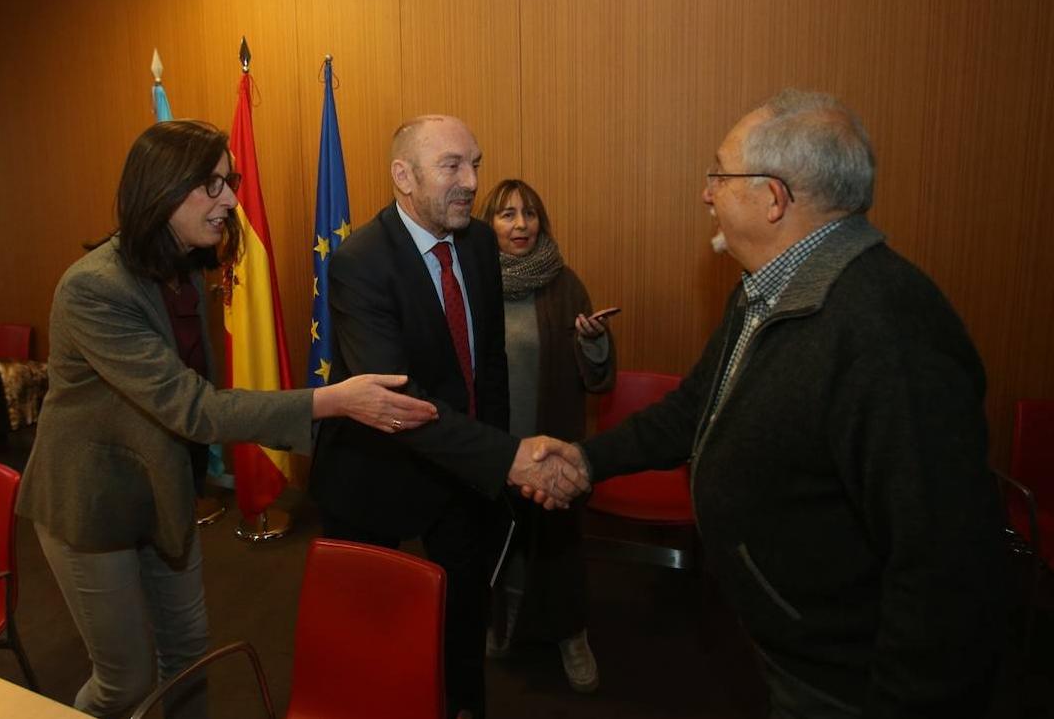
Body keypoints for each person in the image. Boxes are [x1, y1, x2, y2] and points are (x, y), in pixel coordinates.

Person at [530, 90, 1008, 718]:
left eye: (720, 175)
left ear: (773, 198)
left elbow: (943, 571)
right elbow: (695, 408)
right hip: (788, 650)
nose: (707, 192)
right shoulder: (766, 289)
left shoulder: (888, 330)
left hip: (848, 685)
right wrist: (588, 461)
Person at [15, 119, 442, 719]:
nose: (232, 200)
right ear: (162, 189)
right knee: (126, 684)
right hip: (91, 506)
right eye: (212, 184)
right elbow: (193, 406)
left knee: (189, 659)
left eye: (232, 181)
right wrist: (334, 399)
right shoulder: (93, 290)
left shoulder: (187, 269)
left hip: (164, 492)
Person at [310, 115, 589, 719]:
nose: (470, 181)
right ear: (402, 177)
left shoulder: (480, 242)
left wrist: (489, 456)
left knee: (464, 613)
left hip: (462, 470)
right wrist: (507, 458)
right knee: (373, 631)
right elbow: (400, 402)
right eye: (452, 166)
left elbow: (487, 363)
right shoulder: (360, 261)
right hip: (375, 475)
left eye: (475, 164)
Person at [475, 179, 615, 693]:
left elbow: (595, 376)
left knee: (556, 545)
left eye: (529, 214)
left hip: (551, 443)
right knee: (500, 545)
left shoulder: (565, 283)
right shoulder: (471, 281)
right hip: (493, 446)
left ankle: (570, 635)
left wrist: (594, 344)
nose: (520, 225)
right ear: (486, 224)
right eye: (506, 214)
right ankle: (503, 624)